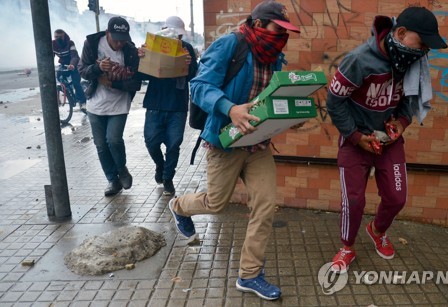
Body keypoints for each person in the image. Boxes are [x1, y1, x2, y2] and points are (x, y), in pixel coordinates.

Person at [168, 0, 300, 301]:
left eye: (285, 31)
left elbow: (267, 99)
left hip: (257, 144)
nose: (281, 36)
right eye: (277, 29)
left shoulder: (275, 57)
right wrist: (230, 108)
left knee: (265, 206)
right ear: (258, 25)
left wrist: (286, 117)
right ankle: (179, 206)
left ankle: (249, 274)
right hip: (224, 143)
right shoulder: (231, 45)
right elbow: (199, 87)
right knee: (216, 203)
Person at [326, 6, 448, 273]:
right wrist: (356, 136)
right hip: (355, 141)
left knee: (396, 198)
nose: (425, 51)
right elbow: (334, 103)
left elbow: (409, 99)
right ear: (401, 33)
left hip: (389, 143)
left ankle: (377, 230)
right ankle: (347, 247)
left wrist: (402, 123)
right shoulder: (358, 60)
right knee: (354, 201)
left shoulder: (411, 61)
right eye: (423, 43)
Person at [78, 17, 142, 196]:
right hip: (95, 104)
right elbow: (82, 70)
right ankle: (112, 181)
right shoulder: (92, 44)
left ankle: (122, 170)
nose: (120, 43)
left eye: (123, 39)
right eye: (116, 39)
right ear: (107, 34)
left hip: (119, 104)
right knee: (101, 145)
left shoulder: (130, 51)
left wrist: (114, 84)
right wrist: (98, 68)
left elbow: (136, 83)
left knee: (113, 140)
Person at [137, 16, 198, 196]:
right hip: (155, 103)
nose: (177, 39)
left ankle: (168, 178)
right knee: (151, 141)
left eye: (179, 36)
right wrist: (140, 57)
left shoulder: (187, 49)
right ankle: (160, 166)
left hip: (177, 106)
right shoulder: (152, 45)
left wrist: (188, 66)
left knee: (174, 144)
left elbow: (193, 77)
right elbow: (140, 76)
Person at [52, 29, 87, 111]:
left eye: (60, 37)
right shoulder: (53, 44)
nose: (58, 38)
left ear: (64, 36)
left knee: (76, 83)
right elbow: (50, 56)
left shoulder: (70, 43)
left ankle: (83, 102)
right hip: (64, 65)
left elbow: (74, 56)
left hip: (75, 64)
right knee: (59, 78)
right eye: (56, 37)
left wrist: (72, 65)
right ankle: (68, 92)